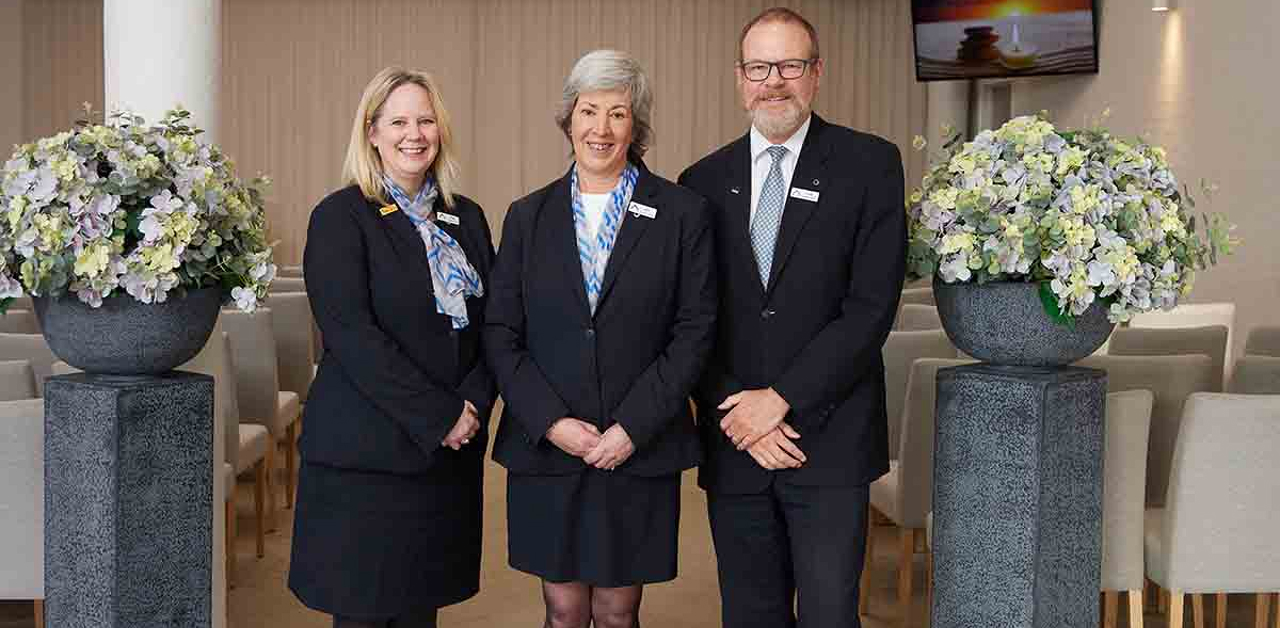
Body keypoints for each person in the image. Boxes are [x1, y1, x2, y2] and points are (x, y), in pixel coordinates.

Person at [677, 8, 907, 628]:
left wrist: (780, 400)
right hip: (736, 442)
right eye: (759, 67)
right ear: (739, 78)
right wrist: (741, 414)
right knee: (749, 614)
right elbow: (692, 321)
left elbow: (869, 309)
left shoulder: (870, 165)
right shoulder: (699, 182)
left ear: (816, 73)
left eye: (789, 65)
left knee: (830, 614)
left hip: (829, 442)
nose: (773, 81)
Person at [485, 49, 716, 628]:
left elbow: (694, 330)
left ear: (636, 125)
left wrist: (633, 427)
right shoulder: (526, 216)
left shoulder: (682, 213)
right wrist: (551, 423)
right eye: (589, 111)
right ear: (569, 119)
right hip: (550, 446)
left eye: (618, 113)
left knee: (617, 610)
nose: (601, 128)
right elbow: (501, 331)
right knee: (563, 610)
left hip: (637, 445)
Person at [289, 66, 496, 628]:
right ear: (372, 131)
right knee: (365, 614)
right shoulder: (340, 217)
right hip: (367, 461)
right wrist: (441, 414)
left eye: (425, 121)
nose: (414, 134)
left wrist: (472, 407)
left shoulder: (466, 217)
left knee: (419, 614)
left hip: (443, 459)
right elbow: (352, 336)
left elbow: (495, 327)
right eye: (399, 122)